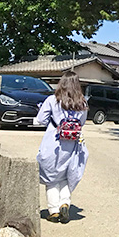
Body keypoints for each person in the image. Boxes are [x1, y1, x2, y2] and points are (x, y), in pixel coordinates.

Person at [35, 70, 89, 223]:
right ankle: (64, 203)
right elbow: (82, 123)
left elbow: (41, 119)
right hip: (73, 144)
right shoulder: (83, 102)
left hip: (54, 142)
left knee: (51, 177)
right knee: (67, 175)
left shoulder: (52, 100)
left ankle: (53, 211)